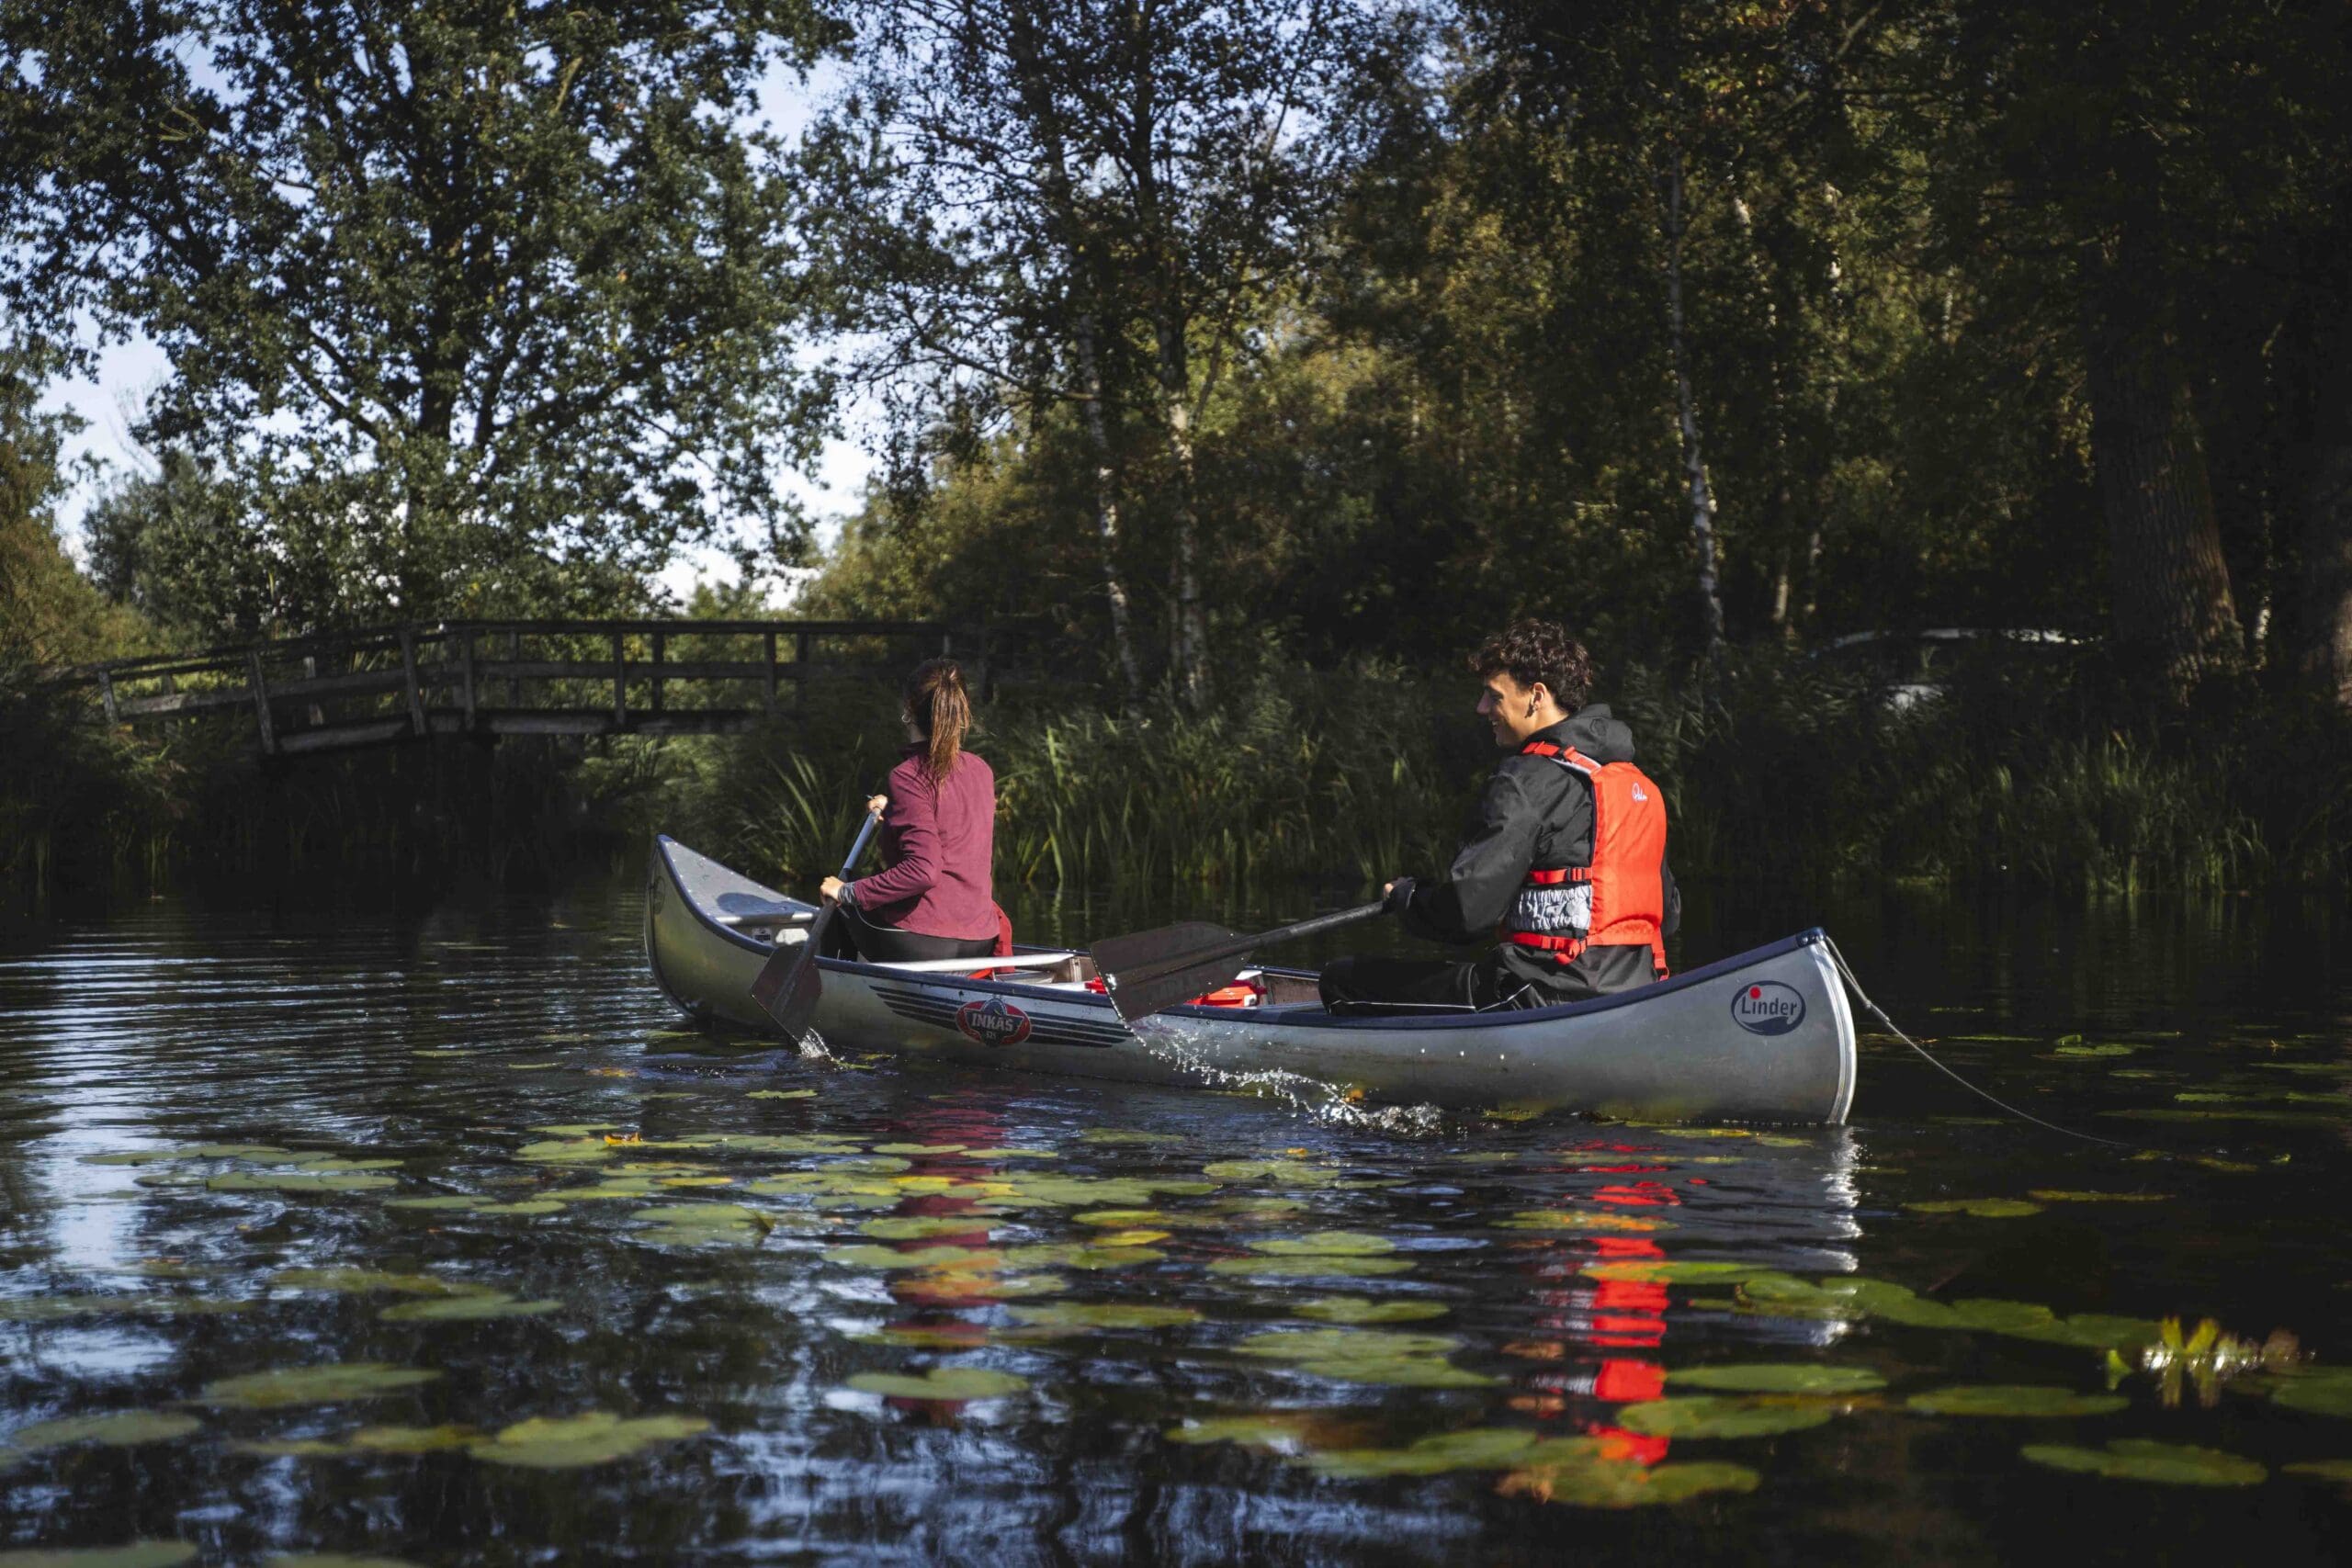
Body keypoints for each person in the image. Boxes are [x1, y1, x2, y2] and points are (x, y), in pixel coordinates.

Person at [1318, 618, 1679, 1013]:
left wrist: (1408, 898)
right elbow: (1669, 914)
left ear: (1536, 696)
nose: (1482, 708)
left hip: (1538, 996)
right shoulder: (1637, 785)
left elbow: (1466, 912)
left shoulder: (1526, 778)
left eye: (1494, 696)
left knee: (1341, 980)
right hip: (1638, 995)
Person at [819, 658, 1004, 963]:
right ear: (959, 711)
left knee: (836, 905)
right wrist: (893, 811)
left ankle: (837, 1001)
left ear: (908, 709)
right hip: (981, 939)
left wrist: (847, 892)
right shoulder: (981, 770)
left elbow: (923, 871)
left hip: (922, 941)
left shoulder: (907, 776)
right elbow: (948, 818)